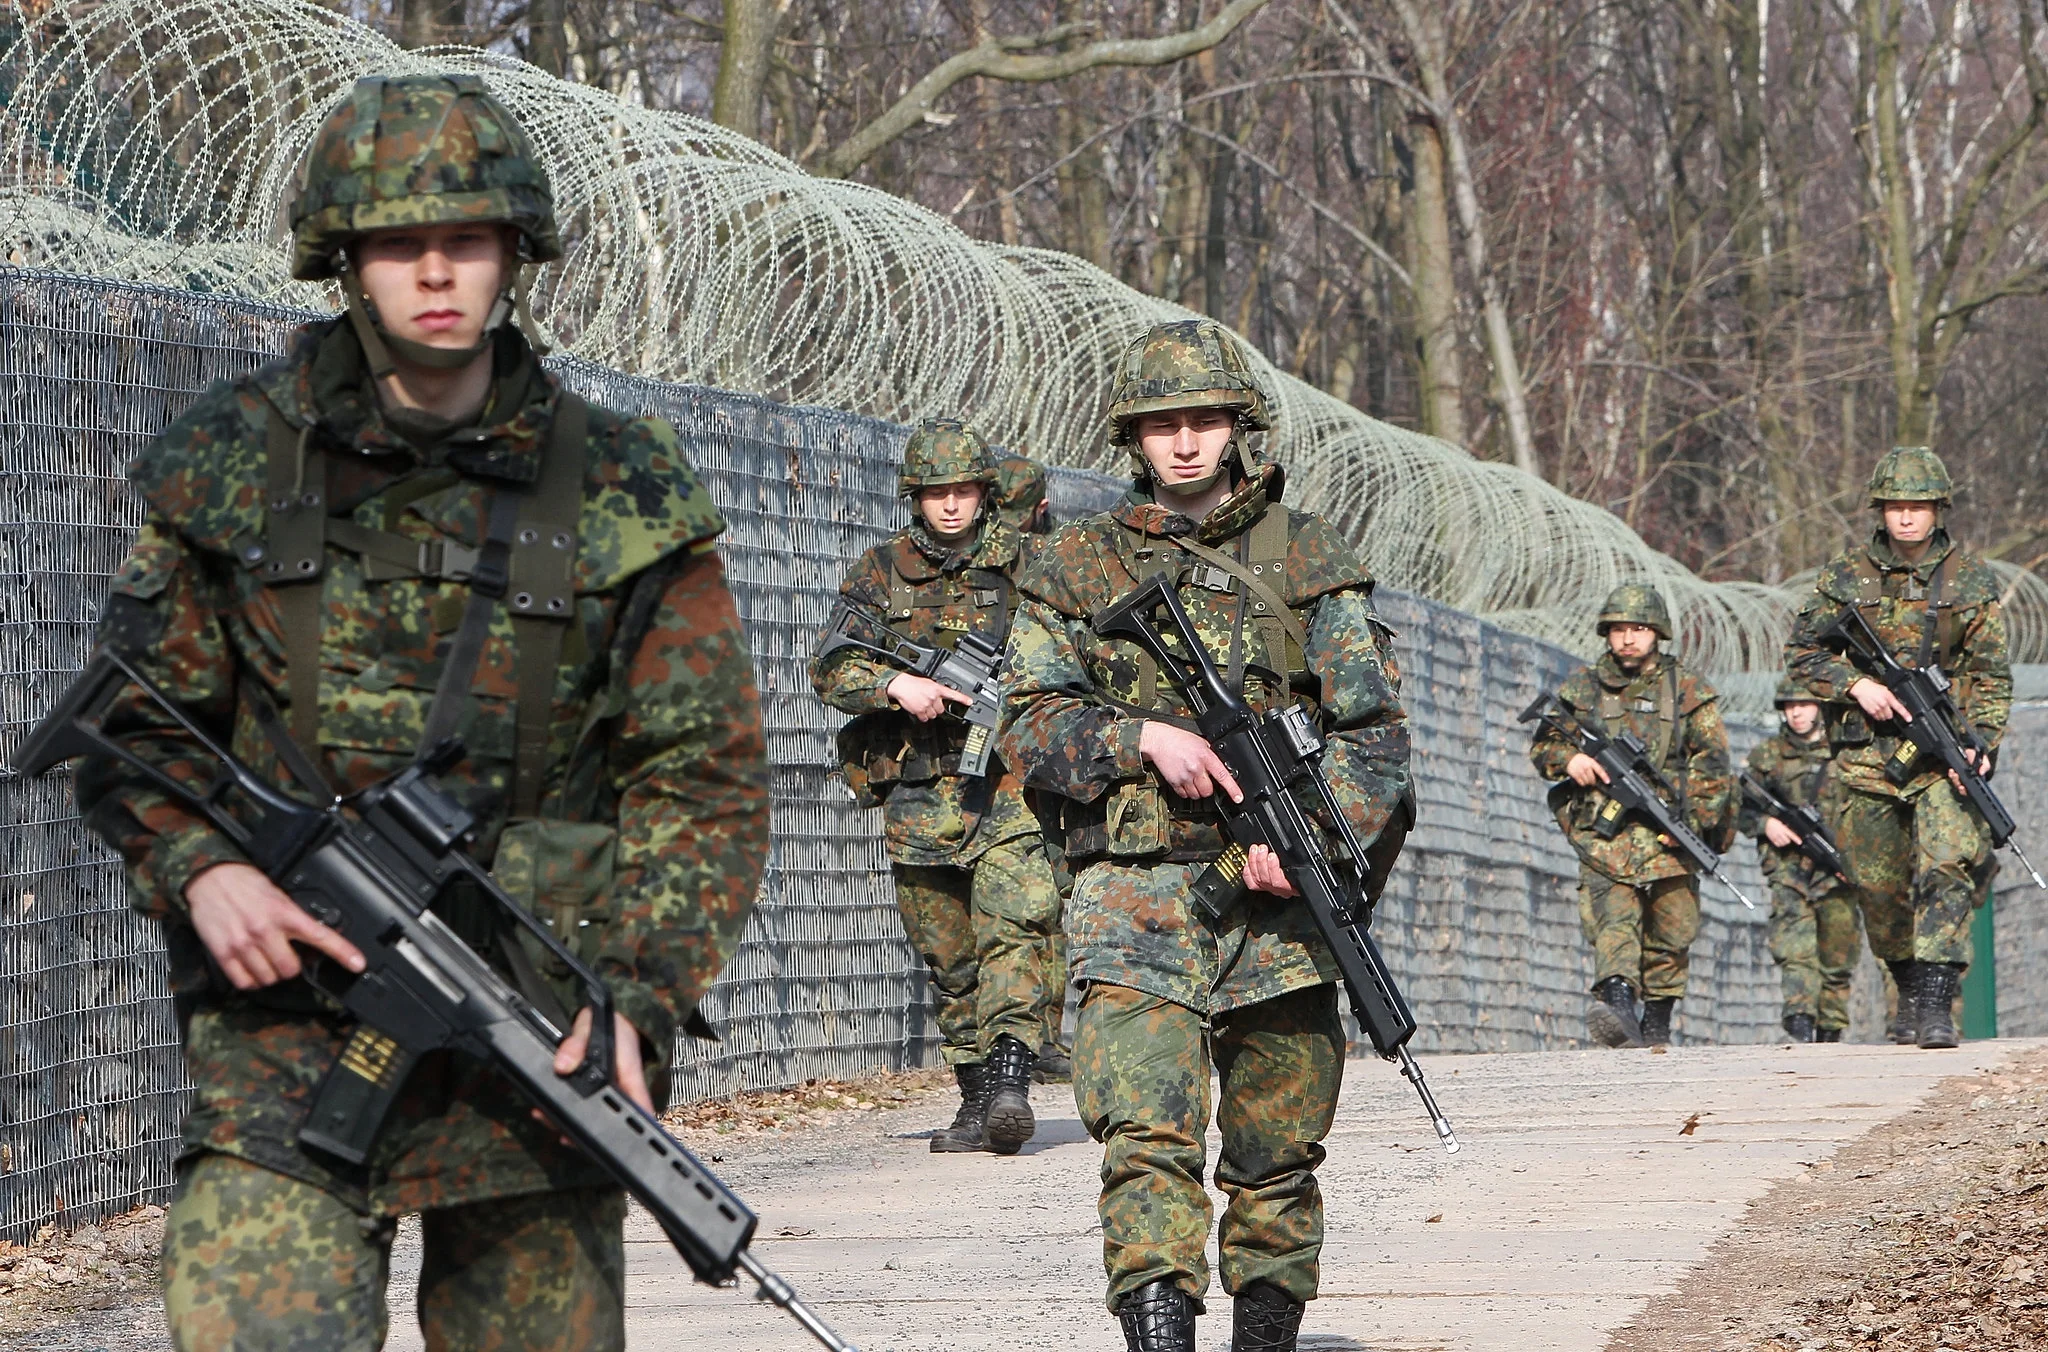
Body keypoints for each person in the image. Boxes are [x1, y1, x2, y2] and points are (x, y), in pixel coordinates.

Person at [70, 75, 771, 1348]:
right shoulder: (232, 459)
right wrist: (202, 867)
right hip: (282, 1043)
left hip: (536, 1040)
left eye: (467, 239)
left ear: (516, 253)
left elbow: (701, 778)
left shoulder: (620, 483)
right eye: (399, 242)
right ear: (346, 259)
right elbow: (132, 724)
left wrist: (636, 995)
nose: (435, 271)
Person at [1000, 318, 1412, 1352]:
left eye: (1202, 421)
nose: (1182, 443)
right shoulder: (1071, 566)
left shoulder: (1306, 556)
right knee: (1144, 1138)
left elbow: (1374, 739)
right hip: (1131, 894)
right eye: (1160, 424)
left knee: (1275, 1150)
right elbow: (1024, 720)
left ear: (1238, 428)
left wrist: (1312, 844)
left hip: (1275, 910)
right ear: (1130, 437)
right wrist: (1136, 735)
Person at [809, 419, 1061, 1154]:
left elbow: (1081, 647)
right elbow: (832, 666)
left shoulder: (1034, 563)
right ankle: (978, 1097)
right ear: (915, 497)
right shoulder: (880, 570)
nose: (951, 506)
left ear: (986, 492)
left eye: (964, 490)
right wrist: (896, 684)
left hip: (1009, 785)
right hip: (919, 787)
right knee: (948, 956)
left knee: (1014, 929)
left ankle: (1013, 1077)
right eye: (936, 493)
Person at [1784, 445, 2009, 1049]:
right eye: (1895, 507)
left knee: (1949, 861)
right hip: (1867, 756)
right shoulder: (1844, 577)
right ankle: (1907, 982)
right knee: (1875, 883)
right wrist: (1857, 685)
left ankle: (1937, 999)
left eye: (1918, 506)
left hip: (1942, 754)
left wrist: (1982, 743)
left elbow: (1990, 674)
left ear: (1939, 510)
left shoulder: (1970, 580)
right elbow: (1803, 653)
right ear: (1879, 511)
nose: (1906, 518)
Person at [1528, 584, 1735, 1049]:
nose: (1627, 639)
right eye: (1619, 629)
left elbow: (1714, 764)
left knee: (1673, 926)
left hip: (1670, 830)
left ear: (1657, 633)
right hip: (1605, 835)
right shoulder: (1582, 689)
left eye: (1638, 629)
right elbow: (1544, 746)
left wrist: (1693, 824)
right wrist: (1570, 761)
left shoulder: (1687, 690)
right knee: (1613, 919)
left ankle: (1656, 1019)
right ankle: (1618, 1005)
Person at [1741, 681, 1859, 1043]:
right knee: (1795, 951)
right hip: (1789, 870)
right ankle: (1799, 1022)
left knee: (1837, 957)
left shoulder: (1845, 752)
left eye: (1805, 704)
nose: (1796, 712)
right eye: (1789, 705)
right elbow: (1738, 809)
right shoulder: (1767, 756)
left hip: (1838, 871)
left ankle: (1830, 1030)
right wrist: (1766, 824)